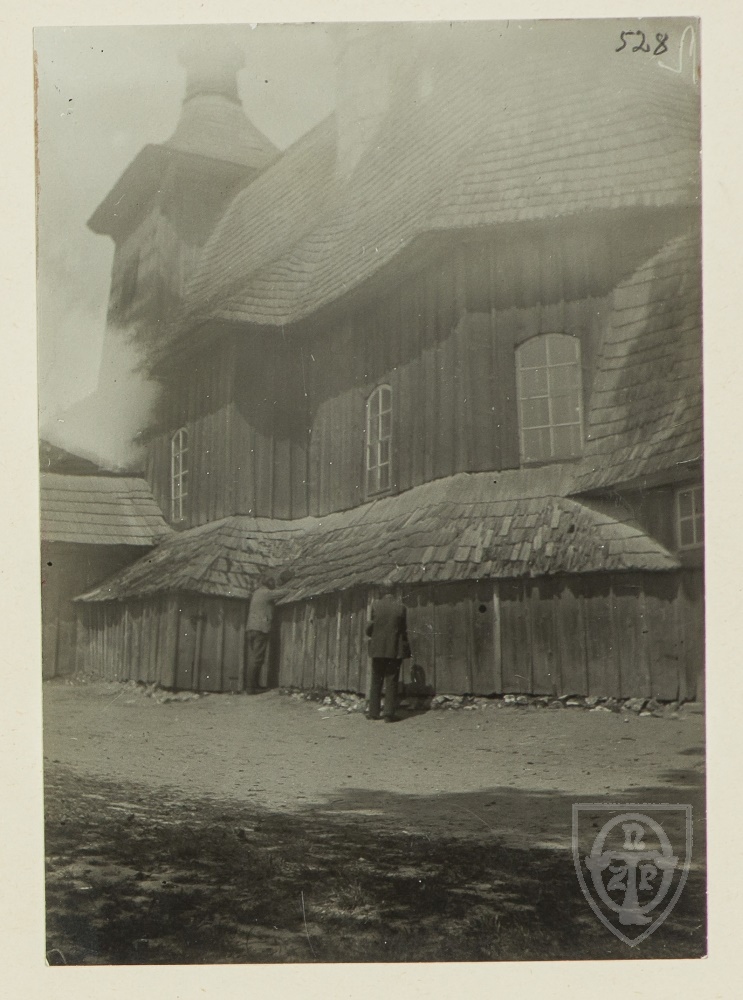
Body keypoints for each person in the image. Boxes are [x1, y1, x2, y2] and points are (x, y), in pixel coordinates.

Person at [365, 587, 411, 722]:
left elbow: (369, 628)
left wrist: (375, 634)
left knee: (376, 679)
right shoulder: (401, 607)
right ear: (393, 591)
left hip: (377, 649)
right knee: (391, 680)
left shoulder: (375, 605)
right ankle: (389, 714)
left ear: (382, 592)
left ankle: (373, 713)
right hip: (394, 649)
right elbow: (403, 629)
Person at [244, 571, 291, 693]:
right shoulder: (266, 593)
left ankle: (254, 685)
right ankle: (251, 688)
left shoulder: (257, 593)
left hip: (251, 628)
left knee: (254, 658)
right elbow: (285, 592)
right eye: (273, 582)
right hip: (260, 629)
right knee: (257, 659)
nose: (274, 585)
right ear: (269, 583)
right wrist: (291, 587)